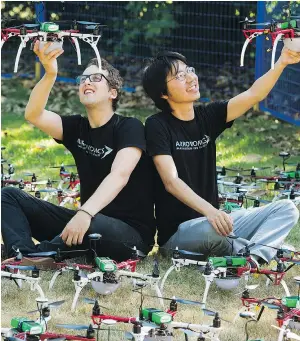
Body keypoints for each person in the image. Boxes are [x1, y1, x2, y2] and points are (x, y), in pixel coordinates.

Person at [1, 41, 156, 263]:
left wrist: (85, 213)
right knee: (8, 196)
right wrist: (50, 73)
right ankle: (20, 255)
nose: (86, 82)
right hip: (86, 222)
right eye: (83, 78)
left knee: (95, 222)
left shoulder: (129, 127)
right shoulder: (77, 128)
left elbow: (119, 175)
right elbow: (34, 115)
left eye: (95, 78)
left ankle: (37, 255)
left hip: (130, 237)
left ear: (113, 92)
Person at [142, 49, 300, 263]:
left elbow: (254, 94)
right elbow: (171, 181)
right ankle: (263, 247)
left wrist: (282, 62)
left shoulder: (208, 117)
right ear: (163, 93)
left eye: (189, 70)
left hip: (216, 222)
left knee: (286, 209)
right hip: (180, 235)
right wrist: (211, 211)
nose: (191, 77)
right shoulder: (157, 125)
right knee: (211, 231)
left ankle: (254, 257)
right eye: (179, 76)